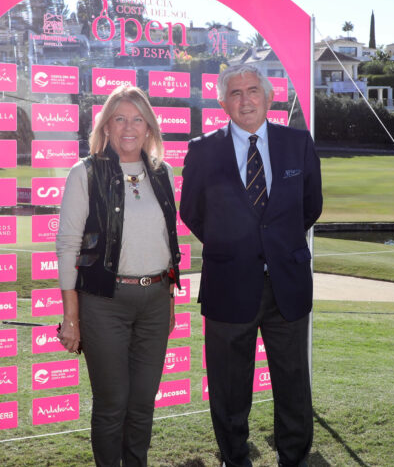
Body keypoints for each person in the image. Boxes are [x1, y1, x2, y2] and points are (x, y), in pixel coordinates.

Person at [180, 64, 323, 467]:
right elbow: (192, 211)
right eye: (236, 93)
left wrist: (275, 246)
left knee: (294, 384)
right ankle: (234, 459)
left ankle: (293, 458)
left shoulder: (298, 144)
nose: (246, 99)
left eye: (253, 90)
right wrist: (234, 246)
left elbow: (309, 206)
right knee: (229, 390)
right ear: (223, 102)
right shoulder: (203, 150)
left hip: (287, 287)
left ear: (269, 96)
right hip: (228, 285)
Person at [55, 85, 181, 466]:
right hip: (103, 304)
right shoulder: (86, 172)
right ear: (106, 126)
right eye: (120, 118)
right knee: (113, 405)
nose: (129, 127)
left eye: (137, 119)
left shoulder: (163, 173)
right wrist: (71, 317)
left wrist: (170, 301)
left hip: (156, 301)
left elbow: (166, 241)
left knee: (143, 403)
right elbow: (67, 246)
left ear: (149, 127)